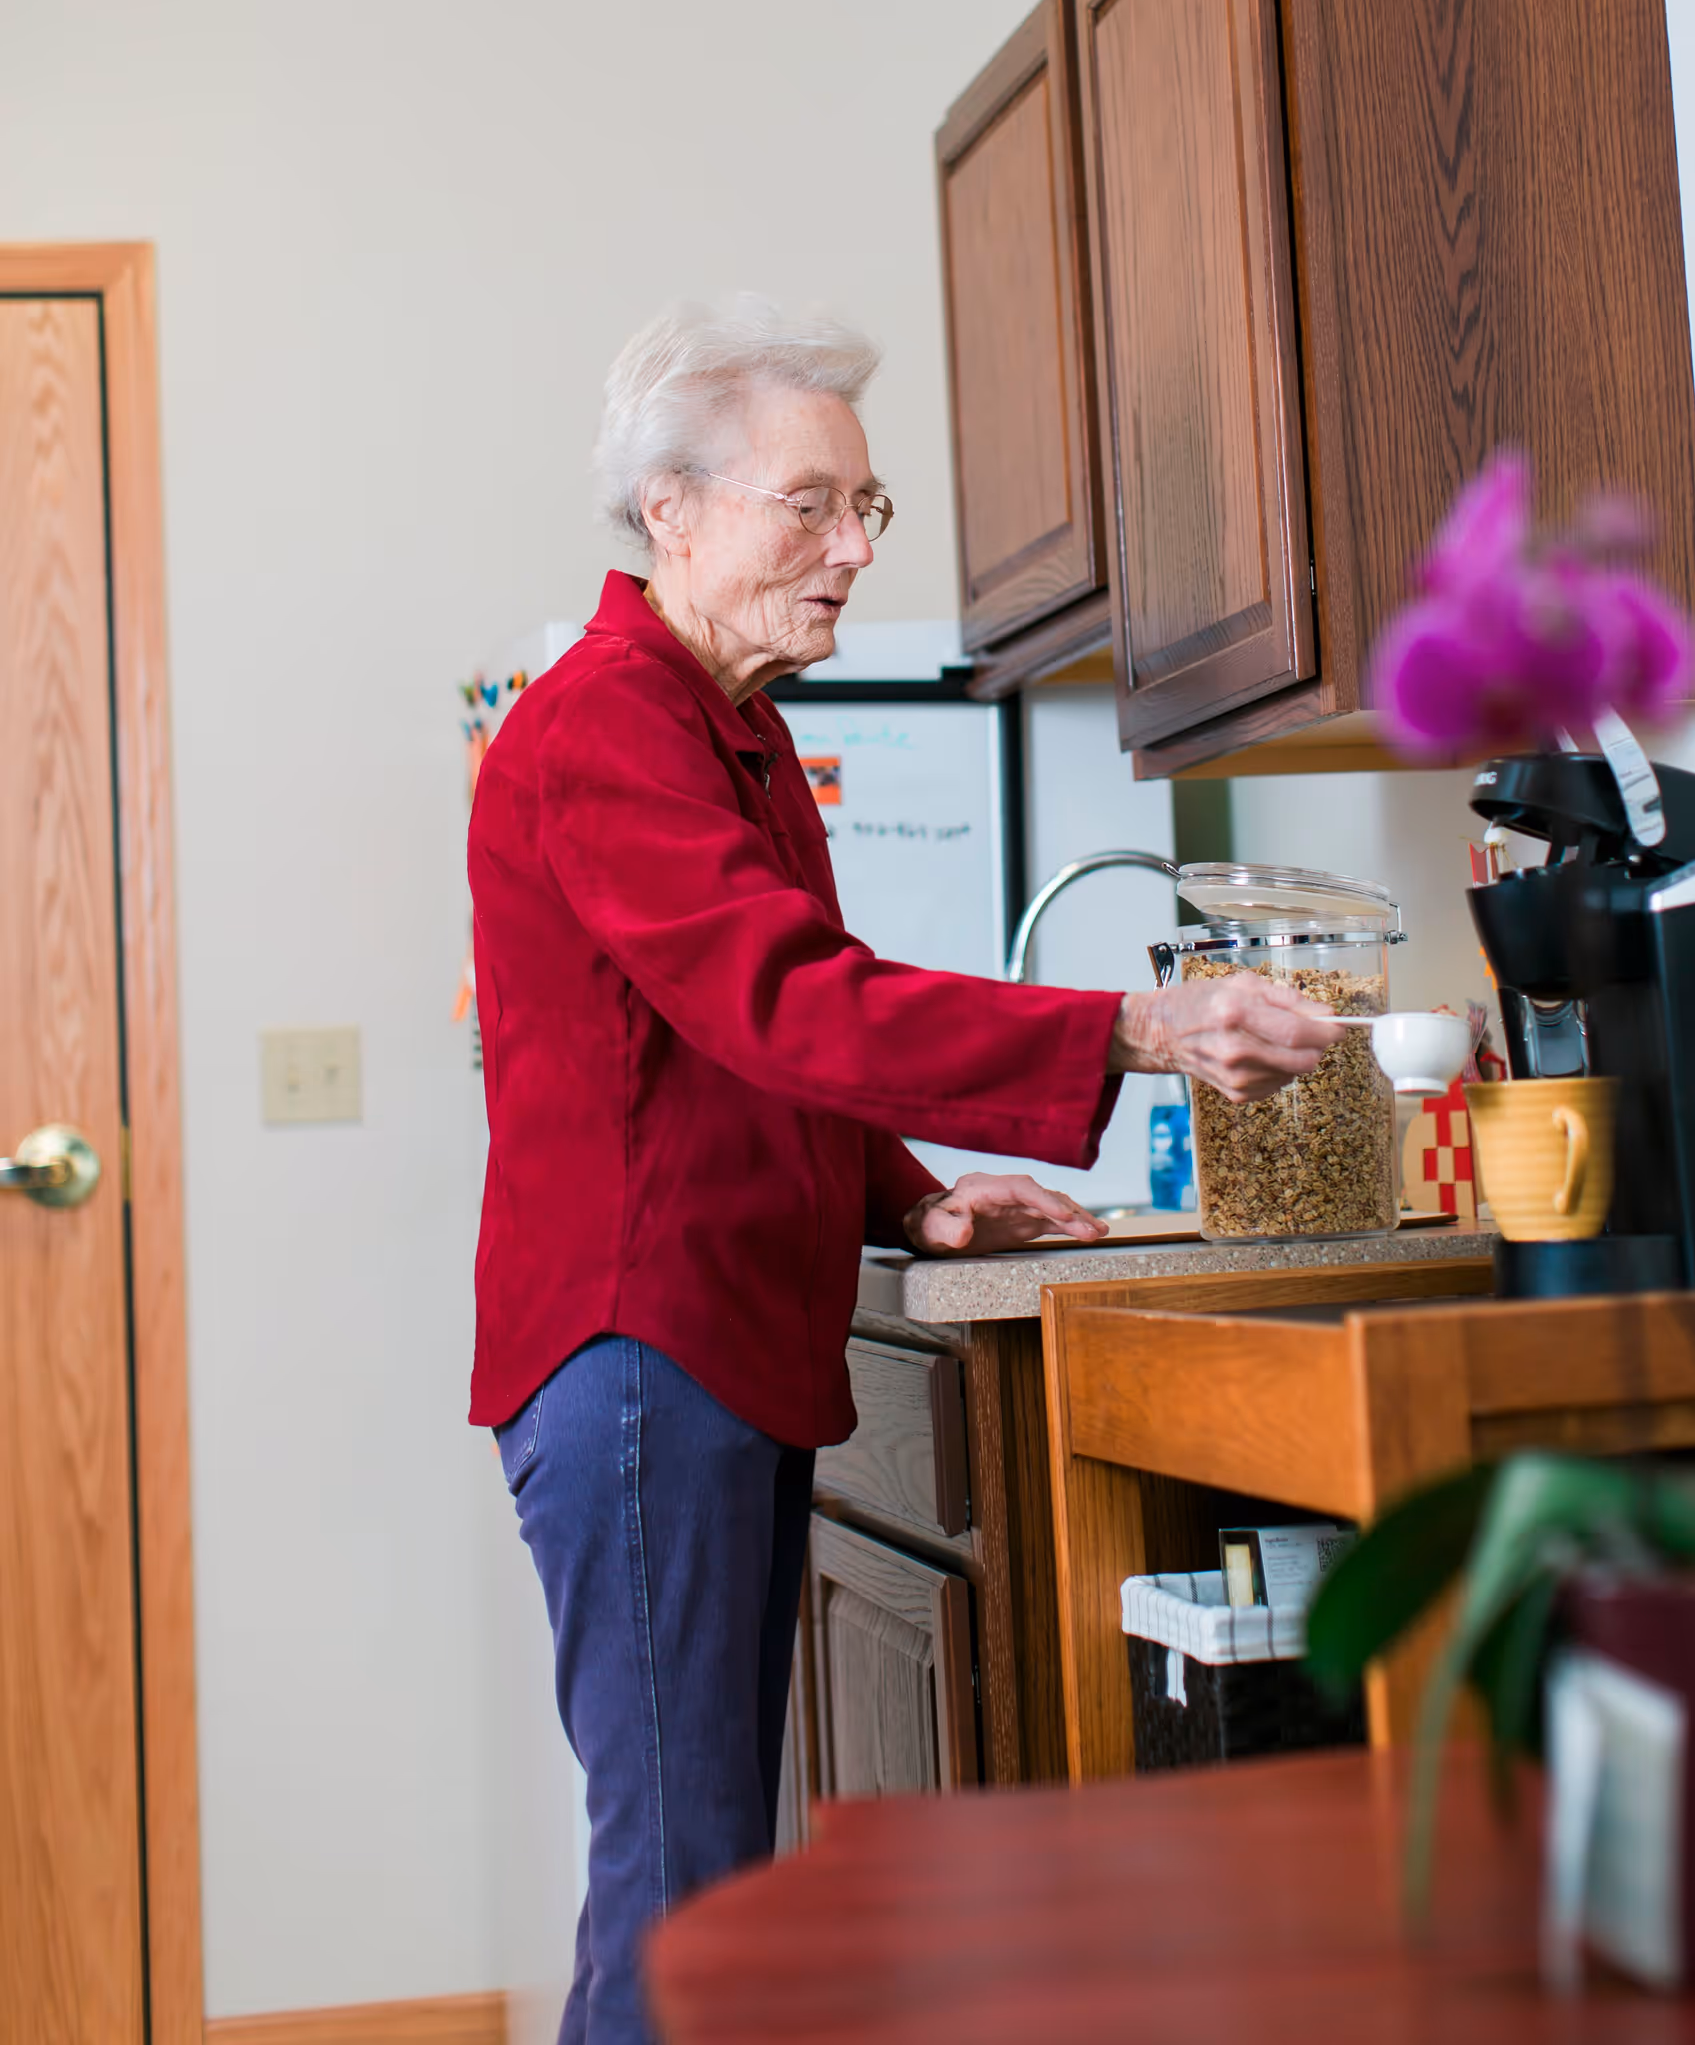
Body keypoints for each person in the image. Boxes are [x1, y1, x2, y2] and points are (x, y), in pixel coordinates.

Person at [468, 294, 1338, 2043]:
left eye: (867, 508)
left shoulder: (732, 726)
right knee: (680, 1884)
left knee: (704, 1866)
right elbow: (785, 997)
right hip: (644, 1354)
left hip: (698, 1348)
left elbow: (759, 1038)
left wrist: (914, 1195)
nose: (854, 548)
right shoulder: (606, 725)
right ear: (675, 512)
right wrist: (1141, 1032)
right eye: (814, 504)